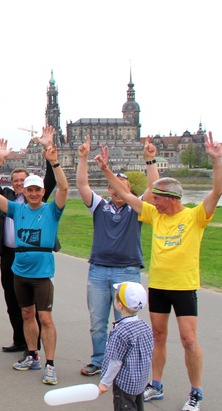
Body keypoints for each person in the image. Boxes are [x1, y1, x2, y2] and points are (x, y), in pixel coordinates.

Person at [96, 132, 222, 411]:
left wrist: (217, 161)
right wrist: (106, 170)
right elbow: (128, 196)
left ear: (170, 197)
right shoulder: (156, 215)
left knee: (189, 340)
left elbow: (216, 192)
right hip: (158, 286)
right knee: (158, 335)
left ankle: (195, 392)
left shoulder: (193, 216)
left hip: (183, 287)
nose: (153, 201)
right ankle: (156, 384)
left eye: (157, 197)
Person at [0, 139, 68, 385]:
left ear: (43, 191)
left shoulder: (52, 210)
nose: (33, 193)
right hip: (19, 271)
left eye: (37, 190)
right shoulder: (17, 209)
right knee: (26, 314)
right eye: (29, 190)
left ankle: (50, 364)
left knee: (45, 318)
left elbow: (63, 188)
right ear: (25, 191)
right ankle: (32, 354)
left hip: (42, 274)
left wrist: (54, 162)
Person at [77, 135, 160, 376]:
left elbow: (154, 190)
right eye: (113, 187)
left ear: (129, 191)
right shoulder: (99, 206)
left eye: (122, 187)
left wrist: (150, 160)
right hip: (99, 270)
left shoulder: (137, 209)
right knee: (98, 322)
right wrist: (83, 158)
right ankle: (99, 360)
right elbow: (83, 186)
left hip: (127, 270)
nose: (116, 191)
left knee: (125, 322)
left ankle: (121, 363)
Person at [0, 125, 57, 353]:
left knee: (35, 305)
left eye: (22, 180)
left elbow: (52, 181)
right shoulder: (8, 199)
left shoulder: (37, 200)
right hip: (9, 255)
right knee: (13, 300)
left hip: (35, 256)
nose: (18, 183)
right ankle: (20, 340)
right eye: (15, 180)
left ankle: (34, 345)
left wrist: (48, 150)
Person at [98, 281, 153, 411]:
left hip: (125, 382)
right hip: (139, 381)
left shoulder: (121, 331)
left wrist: (105, 383)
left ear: (120, 305)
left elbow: (115, 361)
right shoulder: (144, 327)